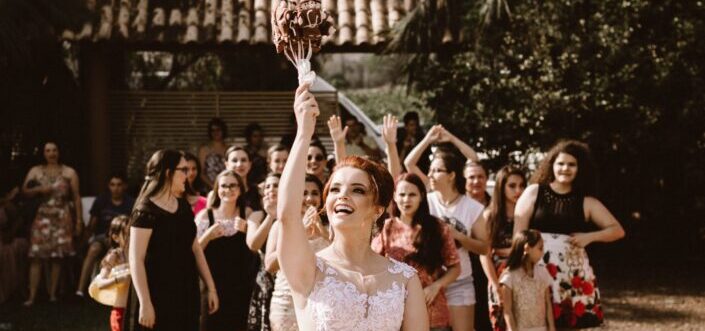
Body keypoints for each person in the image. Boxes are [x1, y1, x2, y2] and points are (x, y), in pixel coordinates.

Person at [276, 84, 428, 330]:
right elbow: (287, 216)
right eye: (335, 189)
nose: (342, 196)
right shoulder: (309, 269)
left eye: (357, 190)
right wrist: (304, 134)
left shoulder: (405, 278)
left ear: (378, 208)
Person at [514, 140, 625, 328]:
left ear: (580, 168)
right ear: (552, 165)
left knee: (567, 324)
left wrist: (589, 237)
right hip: (536, 268)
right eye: (561, 163)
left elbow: (617, 230)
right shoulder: (534, 192)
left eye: (571, 164)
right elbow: (519, 234)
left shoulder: (586, 202)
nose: (565, 168)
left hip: (571, 274)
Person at [404, 126, 489, 331]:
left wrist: (459, 236)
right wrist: (427, 139)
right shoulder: (427, 200)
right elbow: (409, 163)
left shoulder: (471, 207)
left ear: (451, 175)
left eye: (437, 170)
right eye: (430, 170)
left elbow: (484, 248)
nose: (431, 174)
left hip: (460, 282)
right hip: (428, 283)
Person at [126, 149, 218, 331]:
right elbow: (136, 259)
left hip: (186, 291)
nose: (189, 174)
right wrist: (145, 303)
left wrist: (211, 287)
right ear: (168, 173)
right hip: (157, 293)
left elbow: (196, 248)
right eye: (183, 170)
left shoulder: (183, 205)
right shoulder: (145, 211)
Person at [372, 173, 461, 330]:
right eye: (402, 194)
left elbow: (455, 267)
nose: (406, 199)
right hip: (397, 312)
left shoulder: (438, 227)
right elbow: (371, 263)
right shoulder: (386, 228)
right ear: (395, 197)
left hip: (433, 312)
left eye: (412, 194)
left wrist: (436, 286)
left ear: (421, 196)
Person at [195, 170, 266, 331]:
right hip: (212, 288)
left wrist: (248, 229)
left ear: (240, 189)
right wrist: (208, 236)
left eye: (233, 185)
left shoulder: (248, 214)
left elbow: (258, 246)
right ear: (217, 189)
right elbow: (193, 252)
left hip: (241, 290)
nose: (228, 189)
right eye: (224, 186)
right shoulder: (204, 216)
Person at [22, 141, 83, 306]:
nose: (51, 153)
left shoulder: (69, 172)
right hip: (42, 217)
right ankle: (32, 296)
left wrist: (78, 221)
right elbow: (24, 191)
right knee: (36, 256)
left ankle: (52, 294)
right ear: (43, 153)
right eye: (48, 150)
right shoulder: (35, 171)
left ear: (59, 152)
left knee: (57, 257)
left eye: (54, 150)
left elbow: (76, 197)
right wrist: (39, 190)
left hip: (62, 216)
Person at [266, 174, 330, 331]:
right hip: (286, 304)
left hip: (323, 305)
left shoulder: (331, 228)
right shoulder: (280, 226)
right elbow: (270, 265)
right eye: (303, 193)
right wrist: (299, 234)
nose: (309, 198)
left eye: (314, 193)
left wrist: (324, 234)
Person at [480, 166, 527, 330]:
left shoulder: (528, 213)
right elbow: (484, 253)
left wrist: (509, 251)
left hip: (525, 272)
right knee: (501, 323)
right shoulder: (489, 216)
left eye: (522, 185)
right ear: (501, 187)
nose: (518, 190)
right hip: (499, 274)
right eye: (512, 185)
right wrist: (494, 283)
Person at [77, 173, 135, 298]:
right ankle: (80, 290)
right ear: (108, 186)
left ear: (124, 186)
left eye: (119, 185)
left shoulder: (131, 203)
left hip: (122, 240)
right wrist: (84, 241)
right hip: (101, 237)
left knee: (114, 252)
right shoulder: (101, 200)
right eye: (112, 185)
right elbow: (92, 224)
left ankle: (113, 289)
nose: (116, 188)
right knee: (93, 249)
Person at [500, 230, 555, 331]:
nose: (543, 252)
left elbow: (548, 304)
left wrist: (552, 328)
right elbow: (507, 311)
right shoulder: (509, 276)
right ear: (527, 248)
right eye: (540, 248)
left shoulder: (543, 273)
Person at [248, 173, 280, 331]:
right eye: (268, 186)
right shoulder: (256, 215)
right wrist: (270, 216)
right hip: (264, 278)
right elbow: (253, 245)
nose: (271, 189)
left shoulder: (292, 216)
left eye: (276, 185)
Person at [90, 215, 131, 331]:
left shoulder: (139, 255)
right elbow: (99, 283)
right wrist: (119, 279)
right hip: (121, 311)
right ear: (116, 237)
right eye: (127, 234)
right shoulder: (114, 256)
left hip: (137, 310)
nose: (131, 237)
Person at [0, 180, 28, 305]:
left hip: (8, 238)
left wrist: (8, 236)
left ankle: (10, 292)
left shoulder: (9, 207)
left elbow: (17, 225)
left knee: (8, 252)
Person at [198, 118, 228, 189]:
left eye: (218, 130)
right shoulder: (204, 150)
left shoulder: (229, 149)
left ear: (223, 131)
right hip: (209, 187)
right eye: (213, 130)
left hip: (227, 186)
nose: (216, 132)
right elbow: (201, 172)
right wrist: (212, 185)